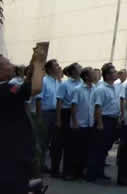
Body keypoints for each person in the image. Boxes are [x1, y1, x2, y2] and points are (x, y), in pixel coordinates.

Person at [0, 45, 46, 194]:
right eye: (8, 63)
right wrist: (40, 62)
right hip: (13, 151)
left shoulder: (8, 88)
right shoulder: (5, 90)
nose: (12, 65)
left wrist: (34, 61)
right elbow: (35, 88)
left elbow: (26, 84)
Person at [88, 62, 118, 183]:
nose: (116, 73)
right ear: (107, 75)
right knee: (97, 148)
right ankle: (91, 174)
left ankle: (100, 172)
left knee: (105, 148)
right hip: (104, 120)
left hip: (112, 120)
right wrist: (100, 123)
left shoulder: (114, 87)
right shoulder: (101, 89)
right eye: (113, 72)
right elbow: (98, 107)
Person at [56, 62, 82, 180]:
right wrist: (58, 119)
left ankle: (76, 170)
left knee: (77, 144)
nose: (81, 69)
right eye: (79, 68)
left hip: (78, 113)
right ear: (73, 71)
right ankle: (66, 171)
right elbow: (59, 102)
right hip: (66, 113)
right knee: (68, 144)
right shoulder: (65, 84)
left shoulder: (82, 83)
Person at [34, 59, 59, 176]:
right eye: (56, 65)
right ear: (49, 69)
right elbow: (39, 99)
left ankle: (44, 164)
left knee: (51, 141)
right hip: (45, 113)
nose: (58, 67)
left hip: (56, 113)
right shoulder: (43, 81)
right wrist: (39, 117)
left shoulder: (58, 82)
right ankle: (38, 166)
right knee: (42, 141)